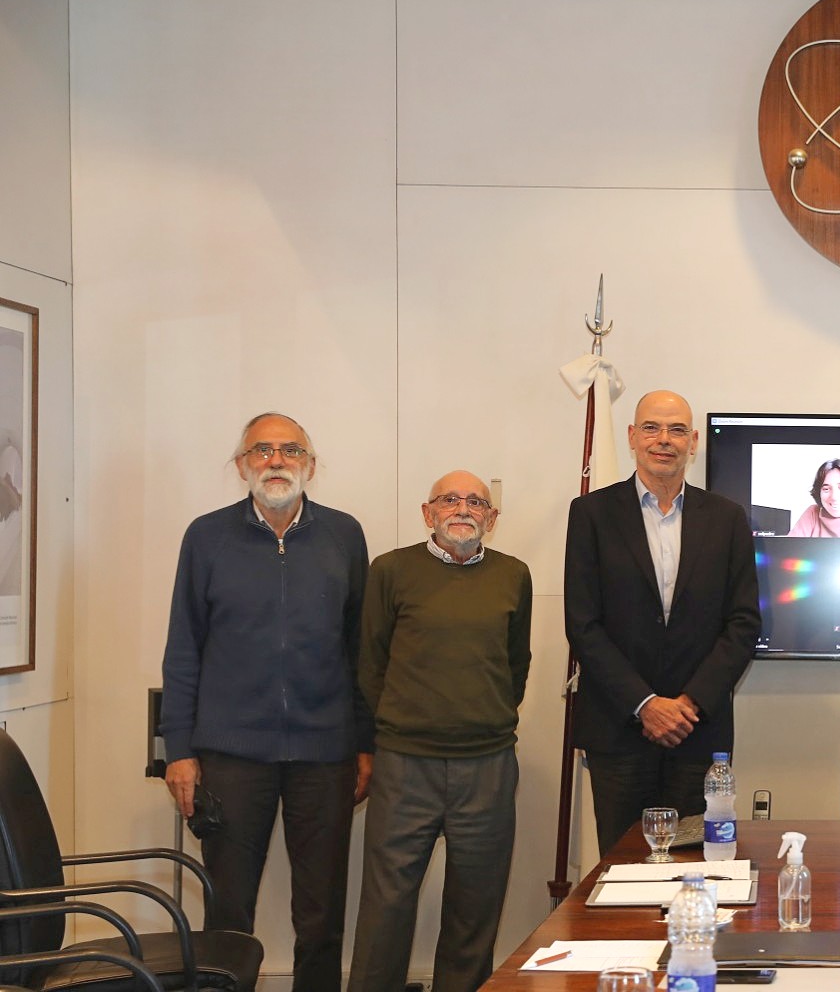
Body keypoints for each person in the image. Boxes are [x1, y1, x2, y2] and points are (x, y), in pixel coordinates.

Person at [159, 413, 370, 992]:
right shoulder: (205, 536)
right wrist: (178, 748)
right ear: (241, 465)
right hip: (230, 755)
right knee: (227, 918)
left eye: (290, 449)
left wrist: (364, 744)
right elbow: (183, 648)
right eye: (262, 450)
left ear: (310, 464)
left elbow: (360, 650)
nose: (276, 460)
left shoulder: (345, 535)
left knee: (322, 915)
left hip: (325, 753)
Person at [348, 472, 532, 992]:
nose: (463, 508)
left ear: (492, 520)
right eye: (450, 499)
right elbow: (370, 664)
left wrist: (481, 715)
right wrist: (405, 725)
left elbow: (515, 665)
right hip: (405, 765)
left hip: (489, 766)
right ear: (428, 512)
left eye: (477, 502)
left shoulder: (514, 575)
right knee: (385, 909)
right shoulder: (390, 571)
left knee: (475, 912)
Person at [564, 389, 762, 855]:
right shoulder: (591, 514)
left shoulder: (728, 519)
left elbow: (743, 623)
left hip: (699, 734)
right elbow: (583, 624)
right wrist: (646, 704)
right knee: (622, 866)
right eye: (651, 427)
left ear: (694, 442)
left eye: (676, 430)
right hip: (619, 730)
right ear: (632, 437)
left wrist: (689, 703)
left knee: (697, 865)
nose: (663, 440)